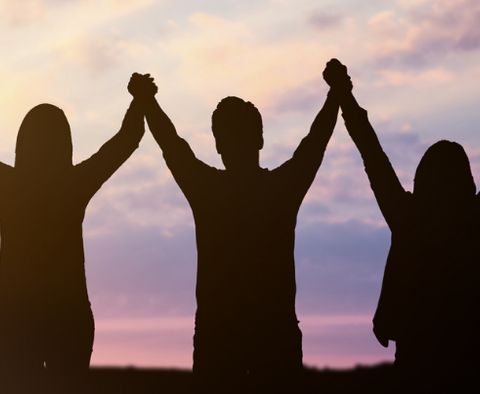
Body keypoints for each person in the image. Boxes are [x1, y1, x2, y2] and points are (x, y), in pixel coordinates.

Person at [143, 61, 341, 379]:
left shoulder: (206, 189)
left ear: (219, 144)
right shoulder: (281, 188)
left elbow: (171, 144)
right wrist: (335, 94)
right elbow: (315, 143)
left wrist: (147, 100)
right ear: (259, 139)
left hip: (218, 335)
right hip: (274, 334)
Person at [0, 71, 146, 373]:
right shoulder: (73, 184)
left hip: (17, 315)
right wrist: (139, 100)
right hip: (68, 313)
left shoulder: (8, 185)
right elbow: (126, 141)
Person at [344, 79, 480, 379]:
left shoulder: (407, 216)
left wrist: (346, 98)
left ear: (421, 179)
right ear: (466, 180)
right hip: (473, 357)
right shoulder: (476, 218)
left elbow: (372, 155)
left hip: (417, 356)